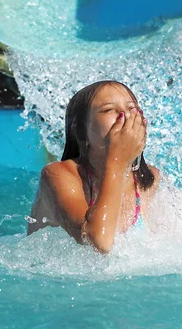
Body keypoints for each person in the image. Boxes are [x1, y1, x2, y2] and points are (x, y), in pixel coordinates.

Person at [27, 80, 160, 253]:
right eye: (109, 109)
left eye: (132, 108)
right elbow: (99, 241)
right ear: (80, 129)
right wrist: (117, 160)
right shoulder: (58, 175)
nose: (125, 115)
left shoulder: (149, 179)